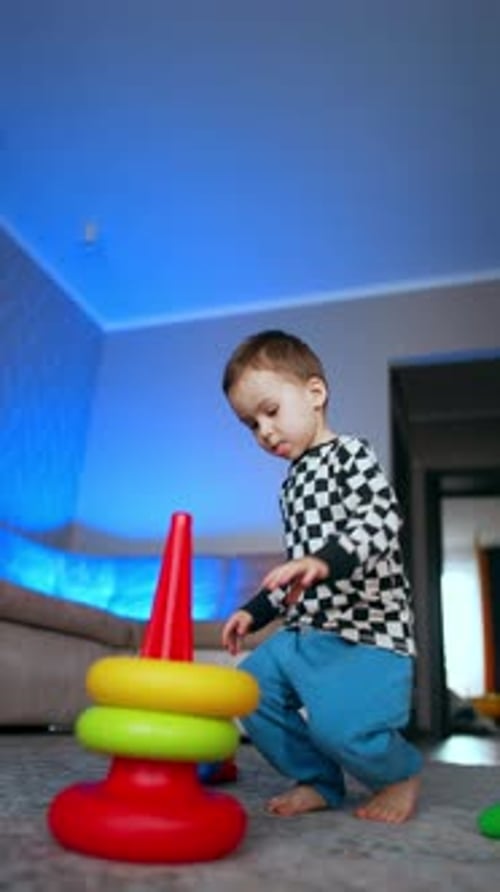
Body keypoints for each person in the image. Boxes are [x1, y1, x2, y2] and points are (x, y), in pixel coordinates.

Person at [221, 329, 423, 822]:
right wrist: (253, 611)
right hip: (304, 631)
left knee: (344, 729)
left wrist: (325, 560)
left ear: (315, 393)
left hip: (366, 632)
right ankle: (318, 780)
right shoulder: (290, 487)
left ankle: (398, 774)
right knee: (251, 693)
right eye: (251, 424)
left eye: (270, 411)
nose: (264, 431)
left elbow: (381, 518)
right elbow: (296, 577)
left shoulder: (350, 454)